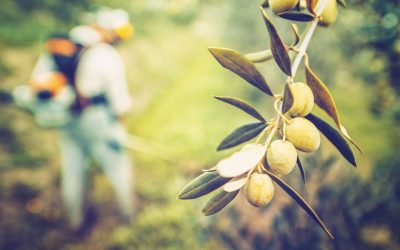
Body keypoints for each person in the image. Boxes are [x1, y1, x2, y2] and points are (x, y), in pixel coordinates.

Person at [16, 8, 135, 229]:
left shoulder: (58, 47)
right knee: (117, 166)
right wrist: (119, 126)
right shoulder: (106, 54)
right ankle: (129, 216)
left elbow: (39, 82)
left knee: (73, 170)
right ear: (107, 29)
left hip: (67, 120)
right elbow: (119, 99)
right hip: (98, 118)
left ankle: (76, 222)